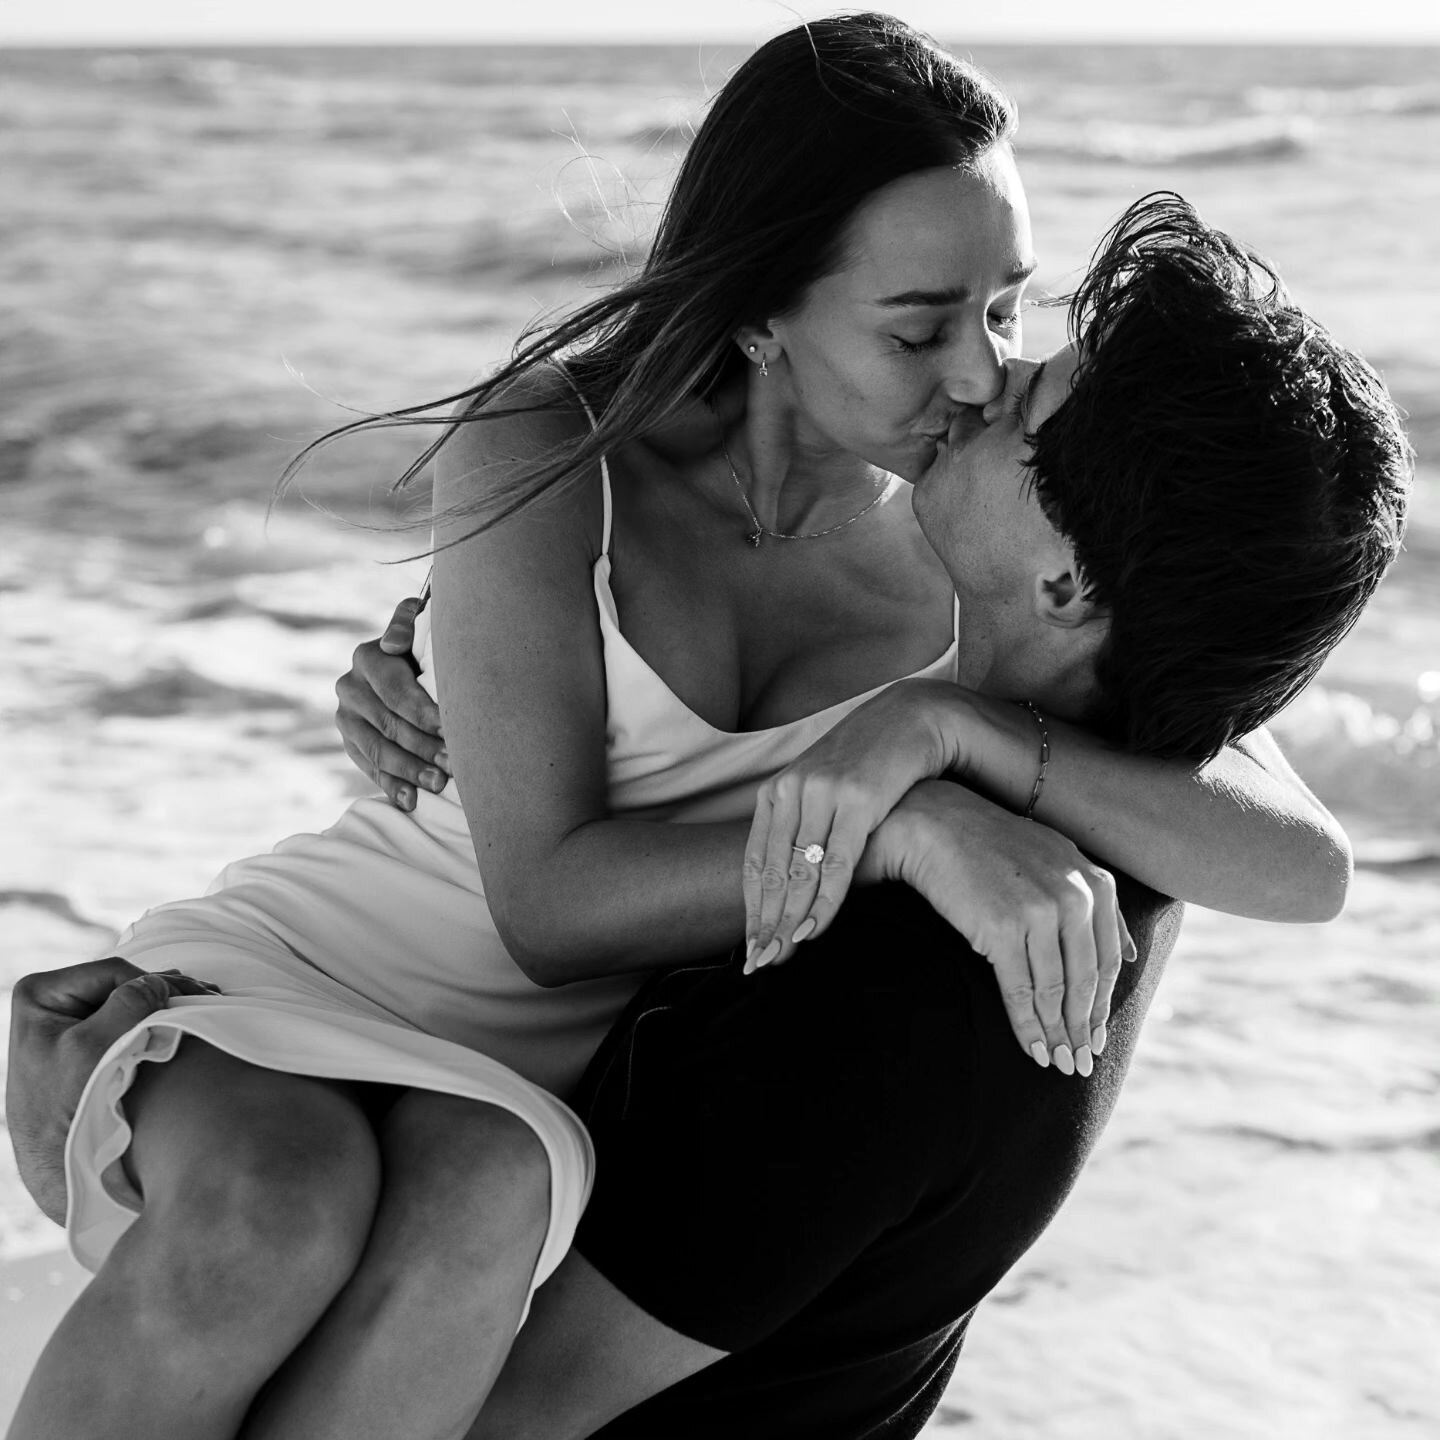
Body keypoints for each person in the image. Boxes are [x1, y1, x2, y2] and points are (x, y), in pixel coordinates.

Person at [3, 14, 1410, 1440]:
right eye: (921, 326)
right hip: (334, 965)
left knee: (476, 1196)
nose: (983, 376)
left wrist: (950, 735)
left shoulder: (980, 545)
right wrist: (897, 826)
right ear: (757, 314)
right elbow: (549, 900)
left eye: (1007, 309)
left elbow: (1302, 862)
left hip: (531, 1100)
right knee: (271, 1213)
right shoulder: (558, 449)